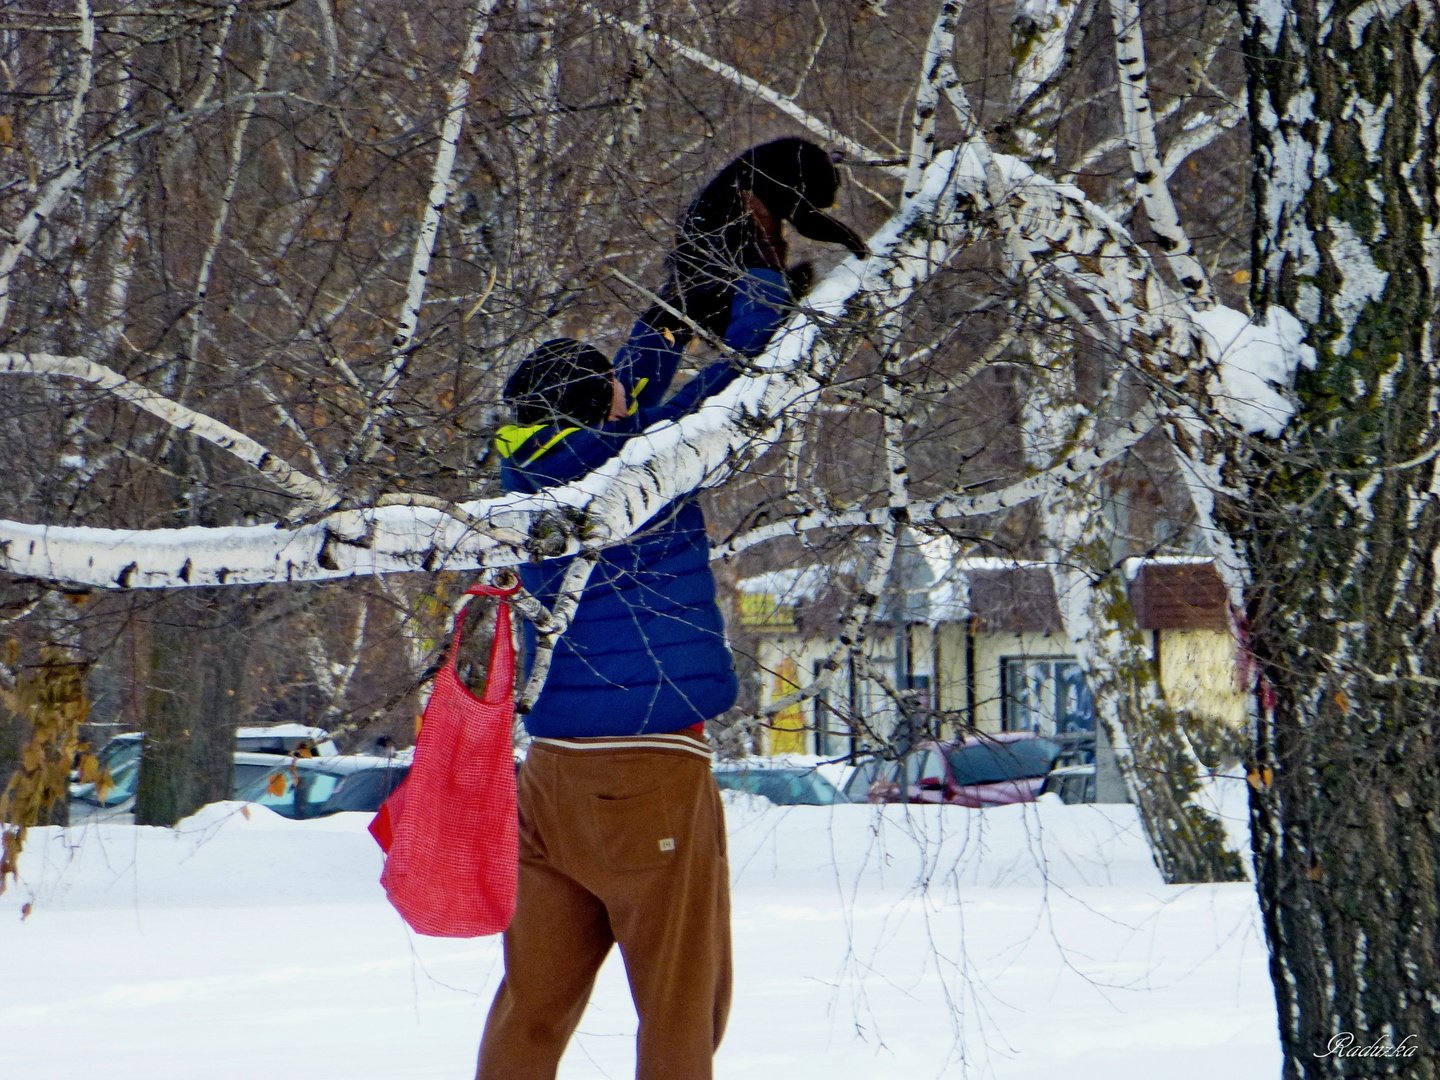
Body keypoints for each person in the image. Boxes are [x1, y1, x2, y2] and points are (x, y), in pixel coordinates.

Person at [475, 266, 792, 1080]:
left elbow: (621, 403)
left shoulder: (526, 478)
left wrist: (669, 316)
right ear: (604, 409)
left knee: (532, 1007)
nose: (629, 395)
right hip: (648, 770)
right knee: (683, 1005)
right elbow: (741, 390)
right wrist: (763, 288)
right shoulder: (642, 470)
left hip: (547, 781)